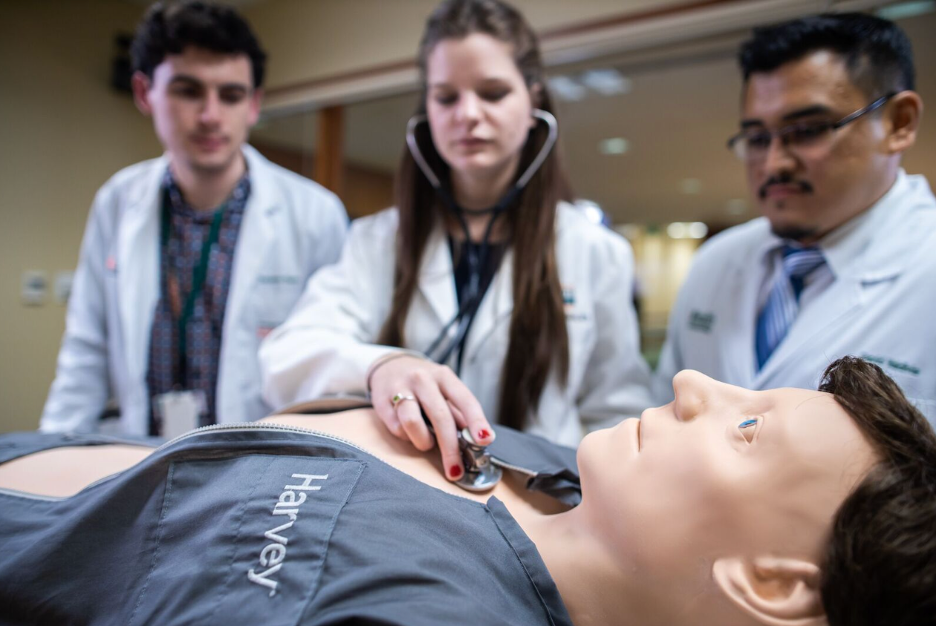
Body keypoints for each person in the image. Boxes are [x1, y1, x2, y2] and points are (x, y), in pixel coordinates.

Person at [1, 356, 934, 626]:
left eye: (747, 429)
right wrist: (379, 372)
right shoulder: (553, 467)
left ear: (772, 584)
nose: (694, 384)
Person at [260, 0, 652, 481]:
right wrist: (383, 366)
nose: (467, 114)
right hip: (407, 500)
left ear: (533, 102)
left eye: (492, 92)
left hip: (545, 510)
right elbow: (286, 358)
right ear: (426, 109)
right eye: (446, 97)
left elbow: (616, 411)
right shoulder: (378, 241)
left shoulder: (594, 251)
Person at [39, 1, 348, 436]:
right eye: (188, 91)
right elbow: (85, 354)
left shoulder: (316, 213)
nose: (210, 115)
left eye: (231, 95)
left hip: (263, 467)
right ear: (146, 93)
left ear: (254, 104)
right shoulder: (117, 201)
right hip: (144, 460)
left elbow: (330, 363)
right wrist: (48, 466)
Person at [652, 13, 936, 422]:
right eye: (756, 138)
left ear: (899, 122)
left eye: (808, 130)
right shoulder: (717, 262)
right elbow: (664, 417)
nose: (774, 163)